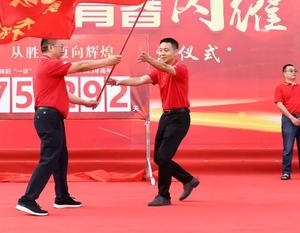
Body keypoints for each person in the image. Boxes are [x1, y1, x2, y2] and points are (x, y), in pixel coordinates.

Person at [16, 39, 122, 216]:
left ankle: (62, 197)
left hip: (52, 116)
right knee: (49, 158)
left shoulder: (50, 68)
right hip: (48, 116)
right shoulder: (48, 64)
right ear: (50, 48)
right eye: (60, 46)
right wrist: (107, 61)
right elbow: (80, 66)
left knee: (60, 158)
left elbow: (64, 93)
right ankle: (27, 199)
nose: (63, 49)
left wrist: (85, 102)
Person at [106, 37, 199, 207]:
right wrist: (120, 81)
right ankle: (188, 180)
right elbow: (141, 80)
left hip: (180, 118)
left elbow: (166, 67)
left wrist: (149, 59)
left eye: (166, 50)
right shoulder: (158, 71)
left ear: (175, 52)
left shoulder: (179, 68)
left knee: (164, 157)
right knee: (158, 157)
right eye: (160, 50)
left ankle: (164, 195)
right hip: (166, 117)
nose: (162, 53)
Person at [274, 64, 300, 180]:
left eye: (295, 71)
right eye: (291, 71)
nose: (293, 73)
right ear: (284, 73)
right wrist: (291, 118)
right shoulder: (280, 88)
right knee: (288, 148)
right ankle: (286, 172)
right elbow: (279, 104)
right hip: (288, 119)